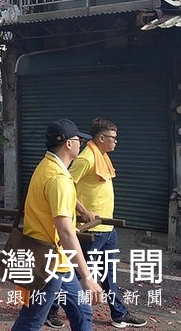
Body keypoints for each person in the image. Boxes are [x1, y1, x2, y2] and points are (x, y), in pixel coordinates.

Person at [11, 118, 102, 331]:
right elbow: (66, 231)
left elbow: (60, 200)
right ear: (69, 144)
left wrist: (81, 210)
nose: (82, 143)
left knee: (82, 311)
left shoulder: (47, 166)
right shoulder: (58, 178)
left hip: (54, 258)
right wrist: (87, 277)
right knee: (31, 321)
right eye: (79, 139)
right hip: (49, 262)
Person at [71, 118, 146, 328]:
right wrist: (83, 211)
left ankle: (119, 314)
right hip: (90, 230)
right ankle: (50, 311)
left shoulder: (102, 157)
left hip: (107, 228)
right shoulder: (86, 158)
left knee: (108, 274)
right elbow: (65, 185)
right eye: (113, 138)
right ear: (101, 138)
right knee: (76, 275)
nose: (116, 142)